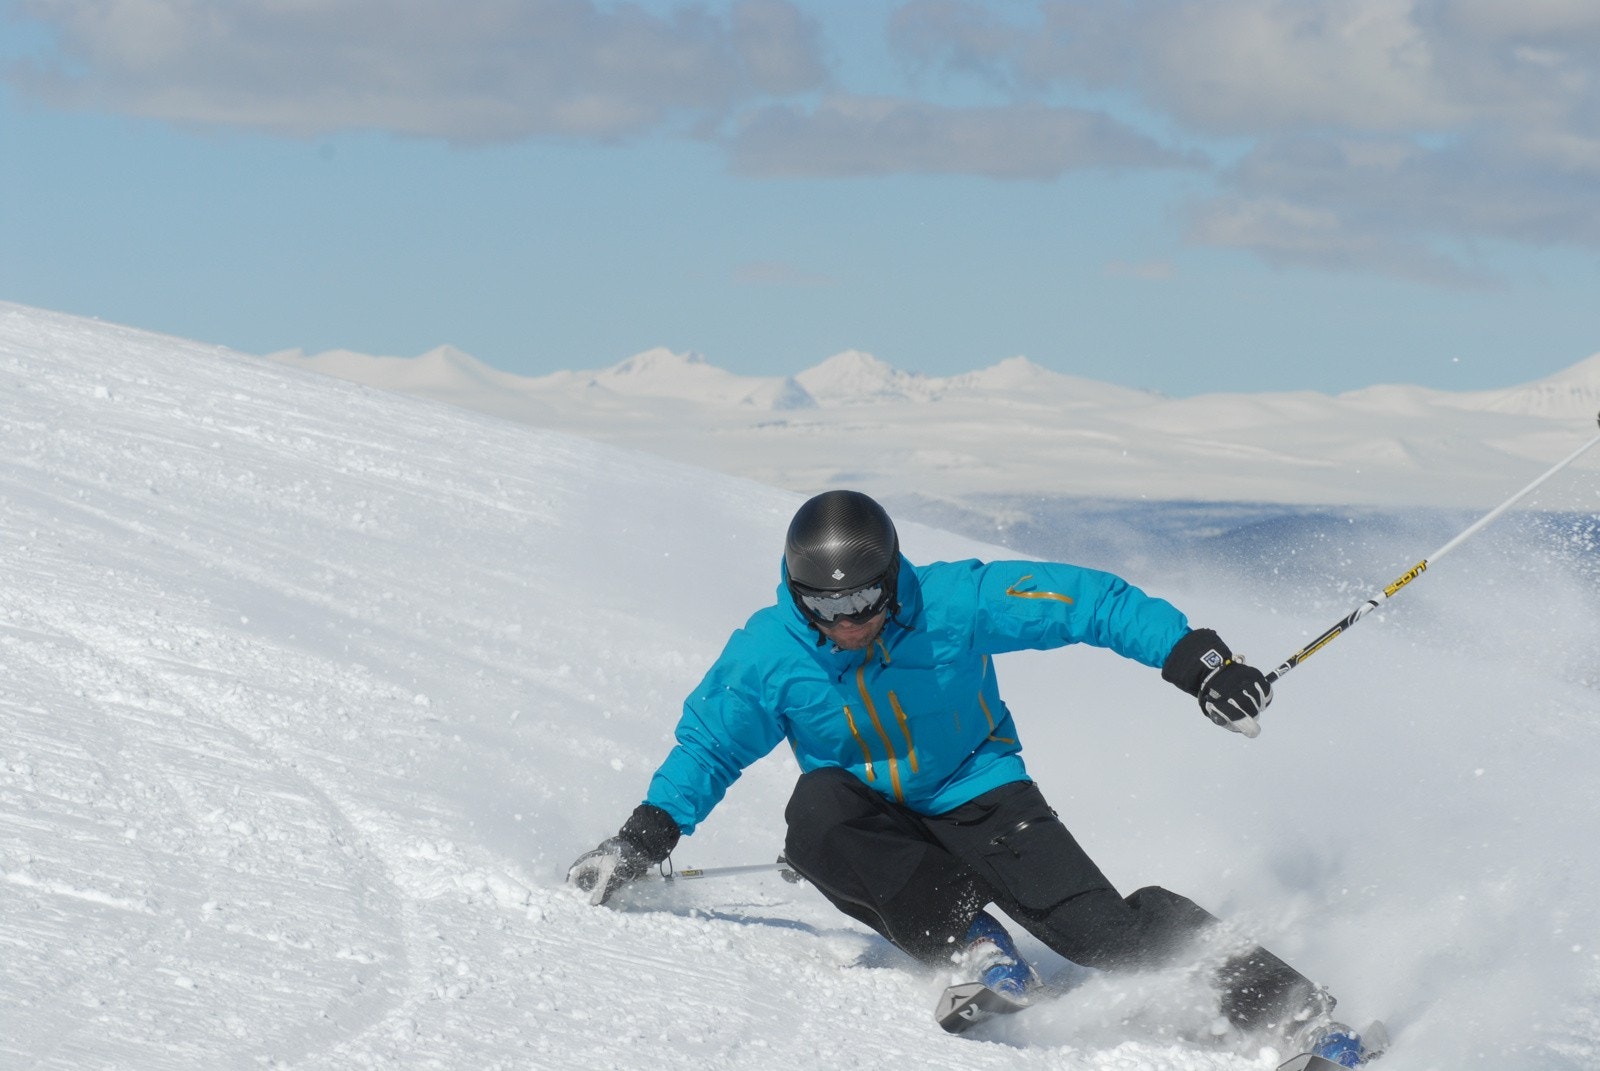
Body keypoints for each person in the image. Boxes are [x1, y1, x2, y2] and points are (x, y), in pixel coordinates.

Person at [569, 490, 1372, 1064]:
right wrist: (644, 838)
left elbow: (1086, 600)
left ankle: (1293, 1014)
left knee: (1105, 938)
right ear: (796, 593)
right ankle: (977, 944)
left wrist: (1198, 661)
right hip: (872, 818)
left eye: (864, 599)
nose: (848, 621)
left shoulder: (954, 600)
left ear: (892, 579)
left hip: (983, 794)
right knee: (814, 813)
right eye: (826, 604)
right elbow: (710, 745)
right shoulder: (768, 652)